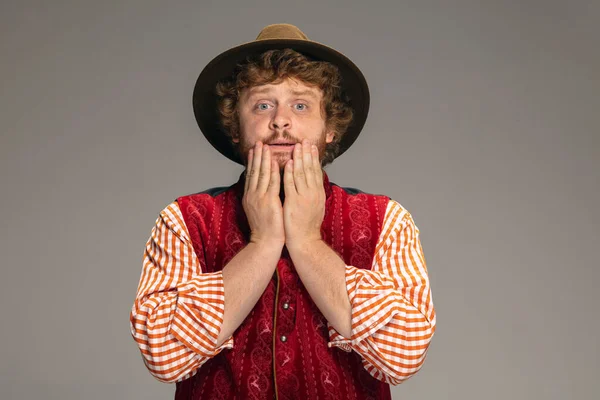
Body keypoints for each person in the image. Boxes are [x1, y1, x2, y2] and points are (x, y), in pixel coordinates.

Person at [130, 23, 436, 400]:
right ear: (236, 129)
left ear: (330, 129)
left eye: (301, 105)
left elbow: (402, 357)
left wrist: (307, 241)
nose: (280, 120)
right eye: (262, 105)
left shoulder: (386, 219)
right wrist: (263, 243)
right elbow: (164, 357)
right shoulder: (185, 220)